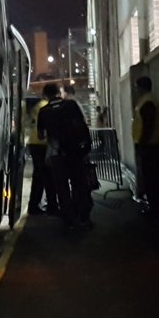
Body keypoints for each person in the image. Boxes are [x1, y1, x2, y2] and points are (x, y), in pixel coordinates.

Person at [39, 84, 94, 228]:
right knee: (79, 184)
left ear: (45, 95)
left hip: (58, 154)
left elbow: (41, 136)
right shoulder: (71, 105)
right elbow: (82, 124)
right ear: (58, 92)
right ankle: (84, 217)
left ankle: (69, 220)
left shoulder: (43, 111)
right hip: (76, 152)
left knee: (62, 188)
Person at [132, 75, 159, 214]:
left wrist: (142, 144)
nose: (136, 90)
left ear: (142, 88)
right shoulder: (148, 101)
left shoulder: (148, 102)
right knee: (151, 177)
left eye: (137, 87)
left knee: (150, 178)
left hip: (149, 145)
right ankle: (154, 206)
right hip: (151, 144)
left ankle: (155, 208)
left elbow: (148, 126)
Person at [25, 85, 59, 215]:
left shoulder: (38, 105)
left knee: (40, 175)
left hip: (34, 142)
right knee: (47, 175)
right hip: (43, 143)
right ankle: (49, 205)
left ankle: (36, 204)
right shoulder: (46, 106)